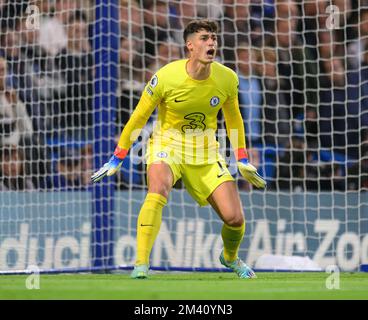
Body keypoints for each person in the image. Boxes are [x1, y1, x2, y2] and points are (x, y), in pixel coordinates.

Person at [91, 19, 266, 279]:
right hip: (167, 145)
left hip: (206, 153)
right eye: (205, 38)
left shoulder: (227, 78)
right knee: (157, 189)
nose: (212, 43)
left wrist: (241, 158)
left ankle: (229, 258)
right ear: (190, 46)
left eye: (214, 38)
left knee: (234, 219)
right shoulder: (165, 77)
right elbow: (138, 117)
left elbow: (234, 119)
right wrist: (118, 157)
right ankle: (140, 264)